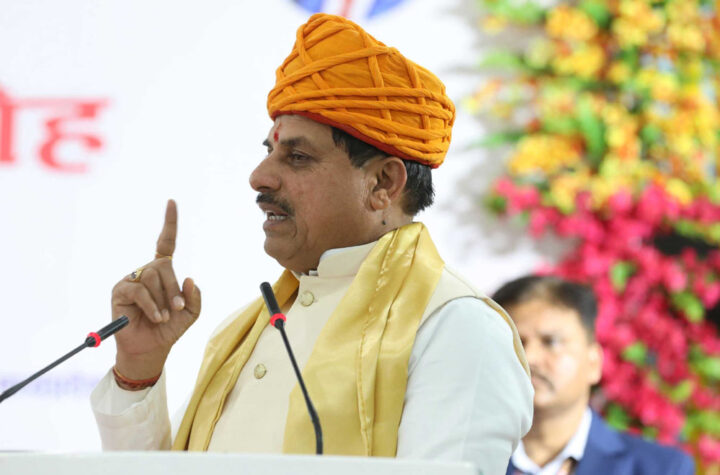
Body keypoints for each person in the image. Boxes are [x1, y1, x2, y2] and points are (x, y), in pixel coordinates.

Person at [91, 13, 533, 474]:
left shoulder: (455, 328)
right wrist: (138, 369)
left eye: (297, 157)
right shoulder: (252, 327)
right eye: (269, 152)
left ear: (383, 183)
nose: (259, 177)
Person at [492, 275, 695, 475]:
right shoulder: (474, 457)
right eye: (514, 342)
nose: (529, 357)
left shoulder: (661, 469)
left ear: (594, 362)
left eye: (550, 342)